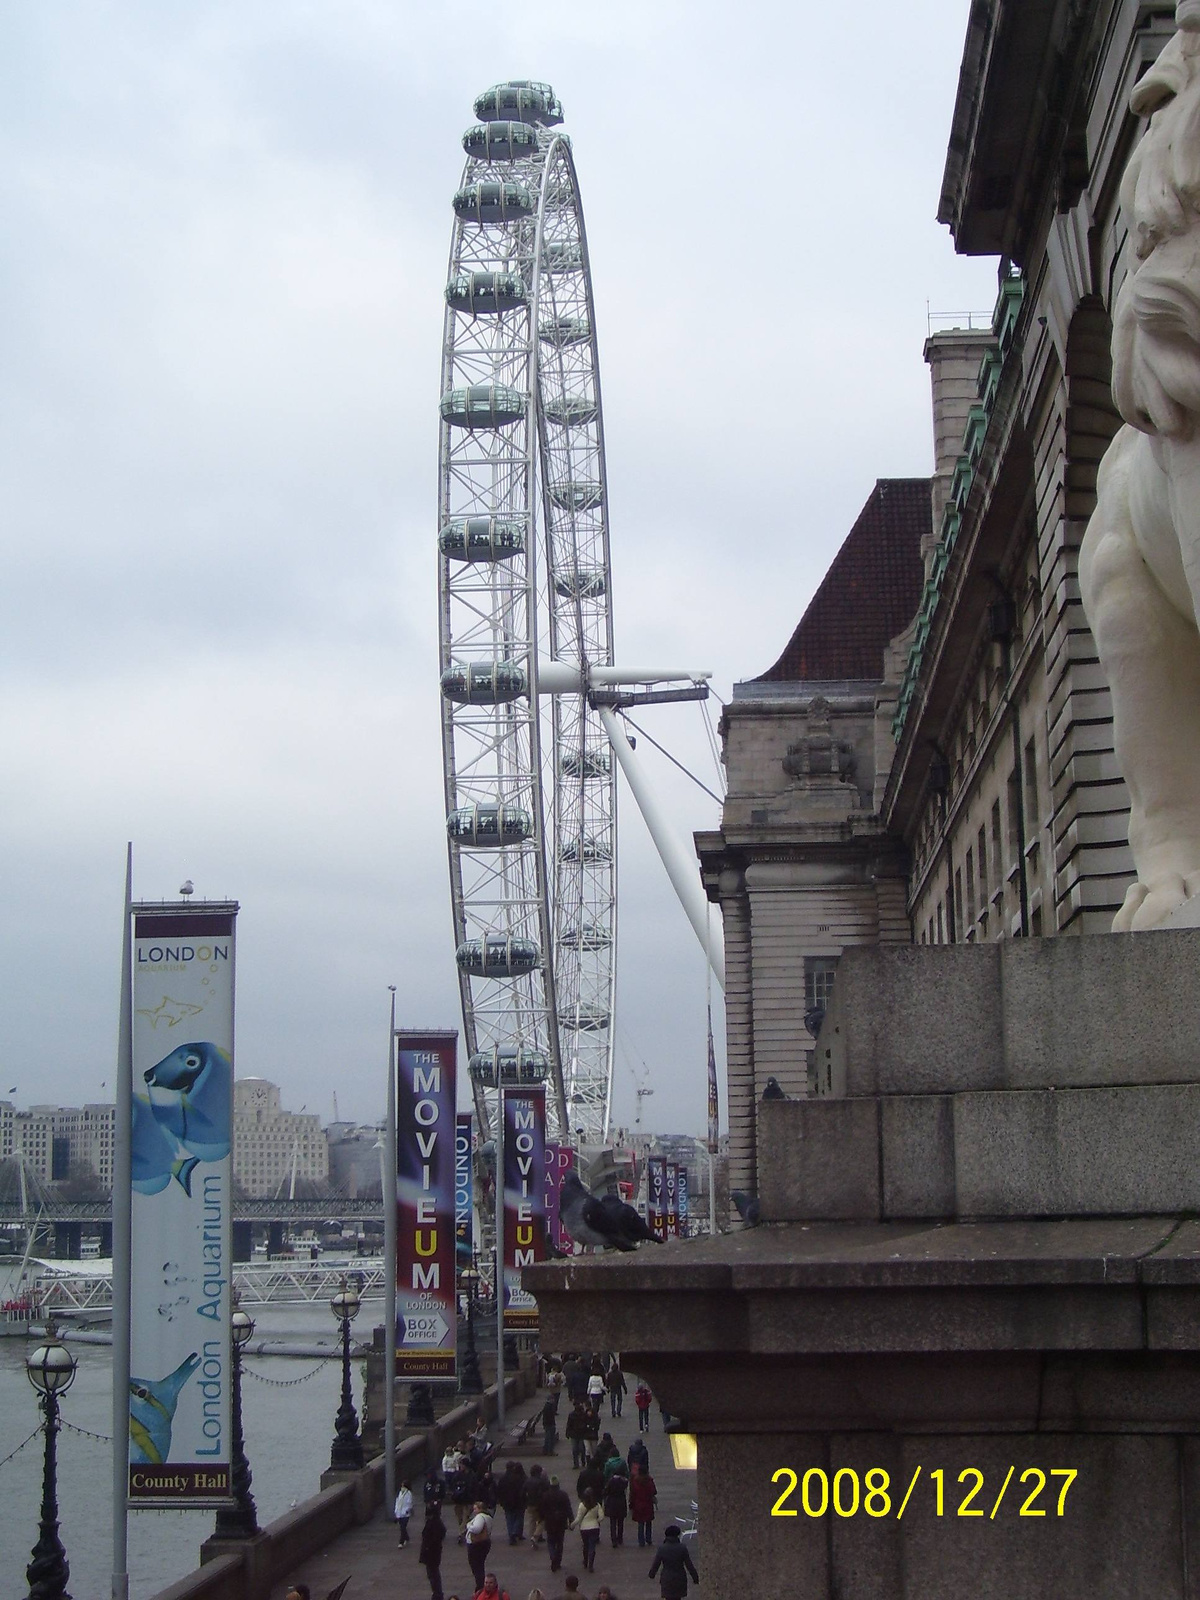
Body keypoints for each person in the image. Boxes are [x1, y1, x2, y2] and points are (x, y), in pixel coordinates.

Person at [648, 1524, 699, 1598]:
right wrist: (695, 1577)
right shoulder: (682, 1548)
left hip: (667, 1577)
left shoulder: (662, 1548)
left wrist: (652, 1574)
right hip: (680, 1577)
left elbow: (656, 1564)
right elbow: (689, 1565)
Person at [540, 1473, 574, 1574]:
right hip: (561, 1521)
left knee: (550, 1542)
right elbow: (568, 1508)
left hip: (550, 1521)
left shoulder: (545, 1495)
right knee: (560, 1542)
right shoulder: (563, 1495)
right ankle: (558, 1561)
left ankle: (552, 1556)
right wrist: (571, 1519)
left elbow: (542, 1509)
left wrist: (541, 1518)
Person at [465, 1500, 495, 1591]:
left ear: (480, 1509)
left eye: (475, 1509)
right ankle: (481, 1585)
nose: (474, 1511)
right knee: (480, 1565)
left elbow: (476, 1529)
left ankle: (480, 1586)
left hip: (476, 1544)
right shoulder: (488, 1517)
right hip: (485, 1543)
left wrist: (468, 1525)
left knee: (476, 1566)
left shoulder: (480, 1517)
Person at [420, 1504, 447, 1600]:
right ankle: (437, 1593)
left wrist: (427, 1547)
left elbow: (433, 1538)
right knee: (433, 1574)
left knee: (433, 1575)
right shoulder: (436, 1522)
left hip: (432, 1553)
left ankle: (437, 1594)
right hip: (433, 1553)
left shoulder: (434, 1523)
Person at [496, 1459, 527, 1544]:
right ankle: (515, 1531)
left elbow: (499, 1490)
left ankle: (511, 1535)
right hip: (518, 1501)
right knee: (519, 1517)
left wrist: (500, 1501)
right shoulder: (518, 1478)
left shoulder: (502, 1479)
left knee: (509, 1519)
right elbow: (522, 1490)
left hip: (506, 1502)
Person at [571, 1487, 602, 1573]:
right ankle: (591, 1564)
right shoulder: (597, 1505)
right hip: (594, 1528)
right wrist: (596, 1521)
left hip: (584, 1528)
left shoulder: (582, 1505)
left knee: (585, 1545)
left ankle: (585, 1561)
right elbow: (602, 1517)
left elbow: (578, 1518)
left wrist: (572, 1525)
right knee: (592, 1545)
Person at [629, 1462, 657, 1548]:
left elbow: (633, 1493)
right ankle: (648, 1539)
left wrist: (631, 1503)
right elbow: (654, 1491)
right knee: (648, 1522)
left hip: (638, 1504)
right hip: (648, 1504)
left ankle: (641, 1541)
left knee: (640, 1523)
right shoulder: (649, 1480)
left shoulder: (635, 1481)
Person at [602, 1462, 627, 1547]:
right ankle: (620, 1538)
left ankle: (614, 1540)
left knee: (612, 1522)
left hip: (612, 1502)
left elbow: (606, 1491)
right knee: (620, 1522)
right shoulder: (624, 1482)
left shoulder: (611, 1481)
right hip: (621, 1502)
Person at [523, 1461, 548, 1544]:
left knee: (532, 1521)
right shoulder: (541, 1482)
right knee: (542, 1521)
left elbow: (522, 1492)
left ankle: (532, 1536)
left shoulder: (527, 1481)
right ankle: (536, 1536)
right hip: (539, 1504)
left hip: (529, 1504)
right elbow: (544, 1493)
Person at [566, 1400, 592, 1470]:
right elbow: (569, 1424)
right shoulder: (572, 1415)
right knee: (575, 1449)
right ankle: (576, 1464)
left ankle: (582, 1460)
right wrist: (568, 1433)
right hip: (575, 1434)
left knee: (581, 1448)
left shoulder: (583, 1414)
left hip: (581, 1434)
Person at [396, 1478, 414, 1547]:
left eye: (403, 1486)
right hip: (399, 1513)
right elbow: (397, 1502)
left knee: (403, 1527)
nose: (402, 1487)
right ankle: (406, 1537)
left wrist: (407, 1510)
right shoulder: (400, 1492)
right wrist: (396, 1511)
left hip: (405, 1513)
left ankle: (401, 1542)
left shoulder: (409, 1494)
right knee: (402, 1527)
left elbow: (409, 1503)